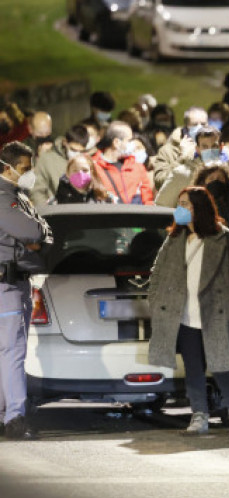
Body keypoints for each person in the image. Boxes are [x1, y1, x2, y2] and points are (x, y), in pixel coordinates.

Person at [148, 187, 229, 436]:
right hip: (183, 316)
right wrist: (156, 300)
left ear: (200, 208)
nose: (180, 208)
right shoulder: (174, 239)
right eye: (180, 203)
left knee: (222, 365)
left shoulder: (222, 237)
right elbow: (158, 272)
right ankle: (199, 415)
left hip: (215, 313)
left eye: (186, 204)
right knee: (193, 369)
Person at [0, 142, 53, 439]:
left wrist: (38, 235)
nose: (29, 173)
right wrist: (36, 236)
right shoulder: (3, 197)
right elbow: (35, 232)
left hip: (14, 282)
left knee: (6, 352)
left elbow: (43, 232)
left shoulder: (17, 196)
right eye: (24, 167)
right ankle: (15, 418)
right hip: (6, 284)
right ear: (7, 167)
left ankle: (7, 414)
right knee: (13, 351)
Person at [155, 125, 229, 208]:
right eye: (205, 146)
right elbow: (162, 207)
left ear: (221, 147)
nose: (210, 150)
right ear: (197, 149)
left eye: (214, 146)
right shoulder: (182, 174)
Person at [91, 121, 154, 205]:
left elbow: (148, 200)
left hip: (136, 216)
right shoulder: (93, 166)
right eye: (129, 140)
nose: (133, 144)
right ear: (116, 142)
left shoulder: (137, 167)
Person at [31, 124, 90, 205]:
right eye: (73, 149)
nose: (77, 154)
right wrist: (47, 211)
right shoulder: (47, 159)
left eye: (81, 151)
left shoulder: (87, 162)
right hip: (56, 212)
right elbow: (36, 191)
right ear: (65, 142)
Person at [152, 106, 209, 189]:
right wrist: (181, 159)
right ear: (186, 127)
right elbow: (159, 183)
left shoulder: (215, 149)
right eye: (194, 124)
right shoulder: (167, 150)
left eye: (203, 124)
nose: (200, 128)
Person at [51, 154, 116, 204]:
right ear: (68, 173)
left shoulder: (105, 198)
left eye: (85, 170)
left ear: (91, 172)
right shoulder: (57, 200)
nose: (80, 174)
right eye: (75, 170)